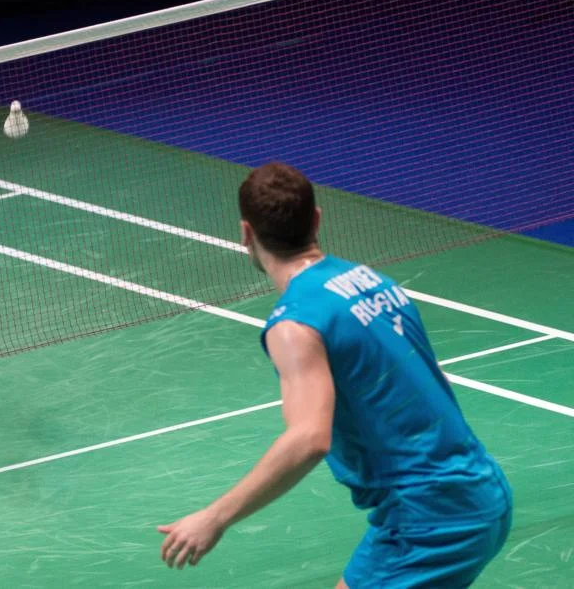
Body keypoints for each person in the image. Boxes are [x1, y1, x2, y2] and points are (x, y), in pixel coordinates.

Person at [157, 162, 512, 586]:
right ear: (317, 219)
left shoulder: (295, 325)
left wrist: (215, 517)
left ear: (246, 233)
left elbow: (309, 438)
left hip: (428, 521)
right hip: (482, 491)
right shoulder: (372, 281)